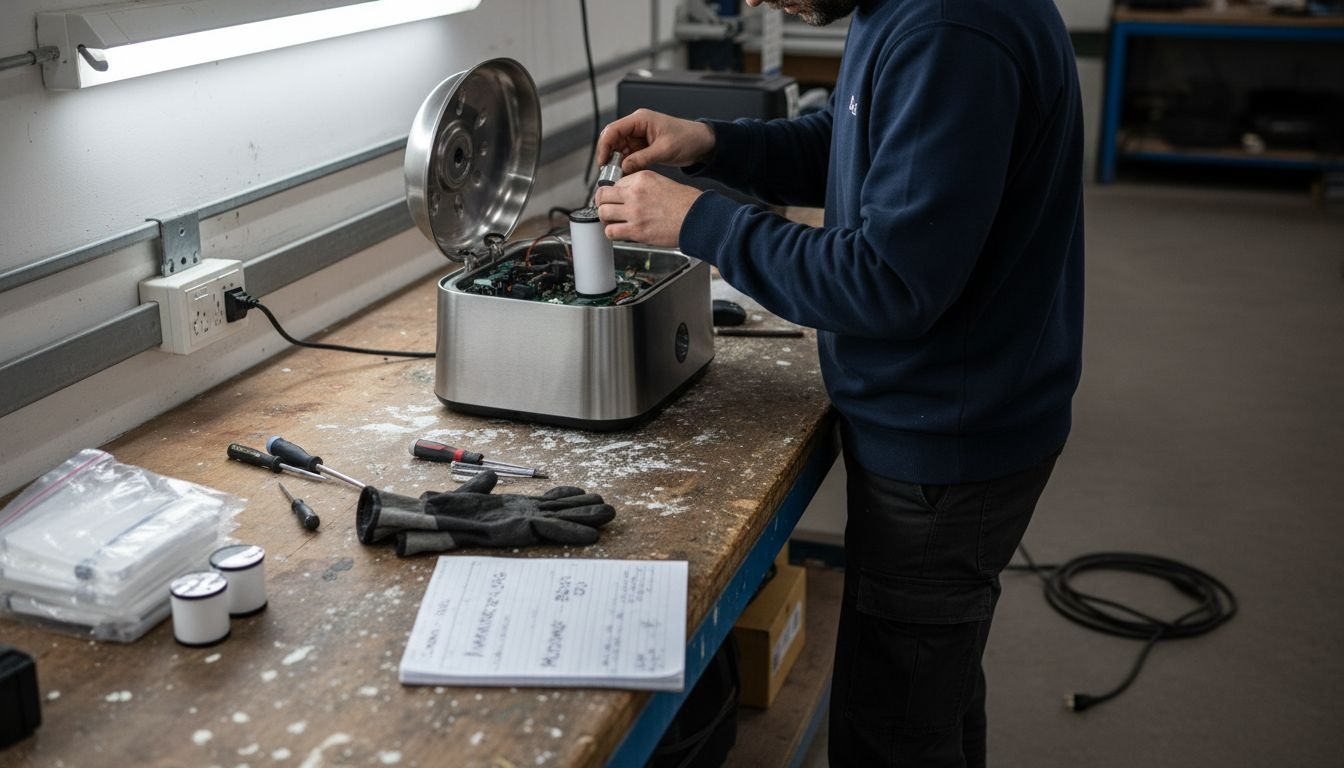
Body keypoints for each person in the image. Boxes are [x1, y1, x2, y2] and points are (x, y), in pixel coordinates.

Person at [594, 0, 1083, 764]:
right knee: (933, 698)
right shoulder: (898, 13)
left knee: (890, 735)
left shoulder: (950, 30)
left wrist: (703, 223)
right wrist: (714, 143)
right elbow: (861, 141)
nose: (753, 3)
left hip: (949, 444)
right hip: (947, 413)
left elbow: (888, 281)